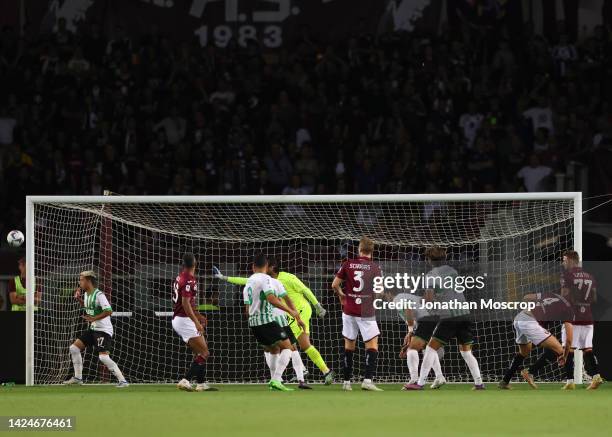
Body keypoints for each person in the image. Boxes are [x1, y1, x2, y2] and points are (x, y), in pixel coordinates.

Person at [404, 247, 484, 390]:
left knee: (430, 349)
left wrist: (420, 301)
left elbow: (429, 300)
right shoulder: (453, 271)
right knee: (466, 352)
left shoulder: (431, 275)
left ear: (429, 260)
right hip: (465, 314)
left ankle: (419, 383)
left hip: (450, 317)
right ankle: (479, 383)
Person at [331, 236, 383, 391]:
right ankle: (367, 380)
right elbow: (379, 292)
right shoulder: (375, 267)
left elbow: (334, 285)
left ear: (359, 249)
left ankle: (346, 382)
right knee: (372, 344)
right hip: (366, 310)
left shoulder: (348, 264)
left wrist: (342, 296)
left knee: (349, 345)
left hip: (348, 310)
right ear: (371, 252)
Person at [64, 271, 128, 387]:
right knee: (74, 348)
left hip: (103, 330)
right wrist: (79, 299)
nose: (80, 282)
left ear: (88, 281)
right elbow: (88, 307)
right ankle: (78, 378)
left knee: (103, 357)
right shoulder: (86, 294)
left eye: (82, 280)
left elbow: (109, 311)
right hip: (93, 329)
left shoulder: (99, 295)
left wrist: (93, 318)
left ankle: (122, 381)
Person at [172, 253, 217, 392]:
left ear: (183, 264)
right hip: (184, 320)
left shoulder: (180, 277)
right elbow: (185, 304)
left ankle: (201, 384)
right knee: (205, 352)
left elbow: (187, 303)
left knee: (198, 353)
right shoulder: (189, 280)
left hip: (180, 319)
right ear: (195, 264)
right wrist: (196, 322)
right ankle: (185, 380)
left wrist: (198, 315)